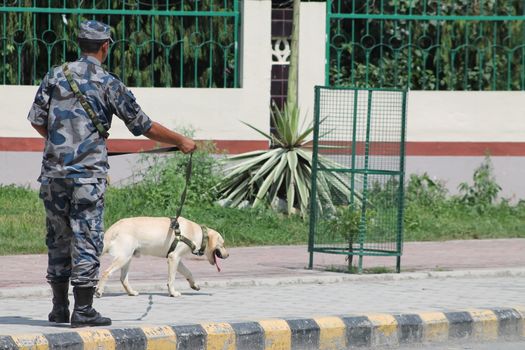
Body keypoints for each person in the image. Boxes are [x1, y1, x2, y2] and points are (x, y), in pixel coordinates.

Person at [27, 20, 196, 328]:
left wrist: (63, 146)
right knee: (87, 237)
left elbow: (37, 120)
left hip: (53, 174)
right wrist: (181, 141)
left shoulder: (55, 74)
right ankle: (83, 310)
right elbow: (142, 125)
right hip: (88, 177)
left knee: (58, 238)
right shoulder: (108, 82)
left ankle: (58, 308)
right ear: (106, 46)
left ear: (80, 44)